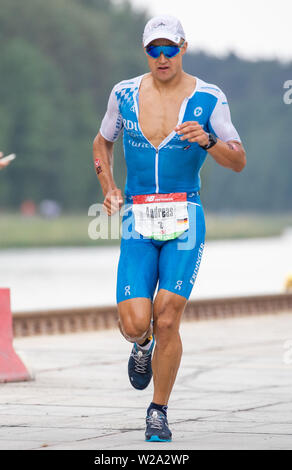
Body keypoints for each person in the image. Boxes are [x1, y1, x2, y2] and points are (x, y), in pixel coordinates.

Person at [93, 14, 246, 442]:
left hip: (185, 216)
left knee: (167, 318)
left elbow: (238, 160)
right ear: (146, 52)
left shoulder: (209, 98)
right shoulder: (123, 94)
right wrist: (109, 186)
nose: (162, 57)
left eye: (169, 48)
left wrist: (209, 142)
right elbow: (101, 142)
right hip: (137, 217)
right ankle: (140, 347)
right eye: (153, 50)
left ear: (183, 47)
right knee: (135, 322)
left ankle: (157, 410)